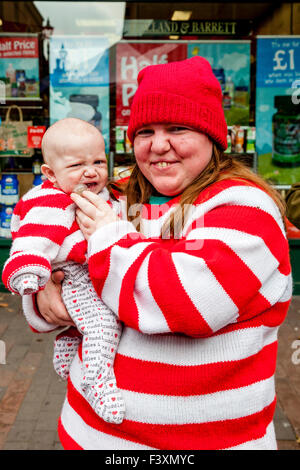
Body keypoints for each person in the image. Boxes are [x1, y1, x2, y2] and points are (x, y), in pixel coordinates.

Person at [22, 57, 291, 450]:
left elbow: (185, 302)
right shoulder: (117, 193)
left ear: (213, 136)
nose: (158, 144)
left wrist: (106, 240)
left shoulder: (245, 207)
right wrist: (44, 288)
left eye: (177, 129)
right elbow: (49, 253)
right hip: (87, 432)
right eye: (145, 131)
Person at [2, 118, 125, 424]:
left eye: (98, 161)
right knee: (103, 325)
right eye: (77, 165)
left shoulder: (98, 193)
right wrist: (28, 271)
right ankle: (96, 380)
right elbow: (32, 239)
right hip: (73, 277)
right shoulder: (50, 202)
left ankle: (68, 346)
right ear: (50, 174)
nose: (91, 170)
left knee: (82, 322)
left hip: (91, 271)